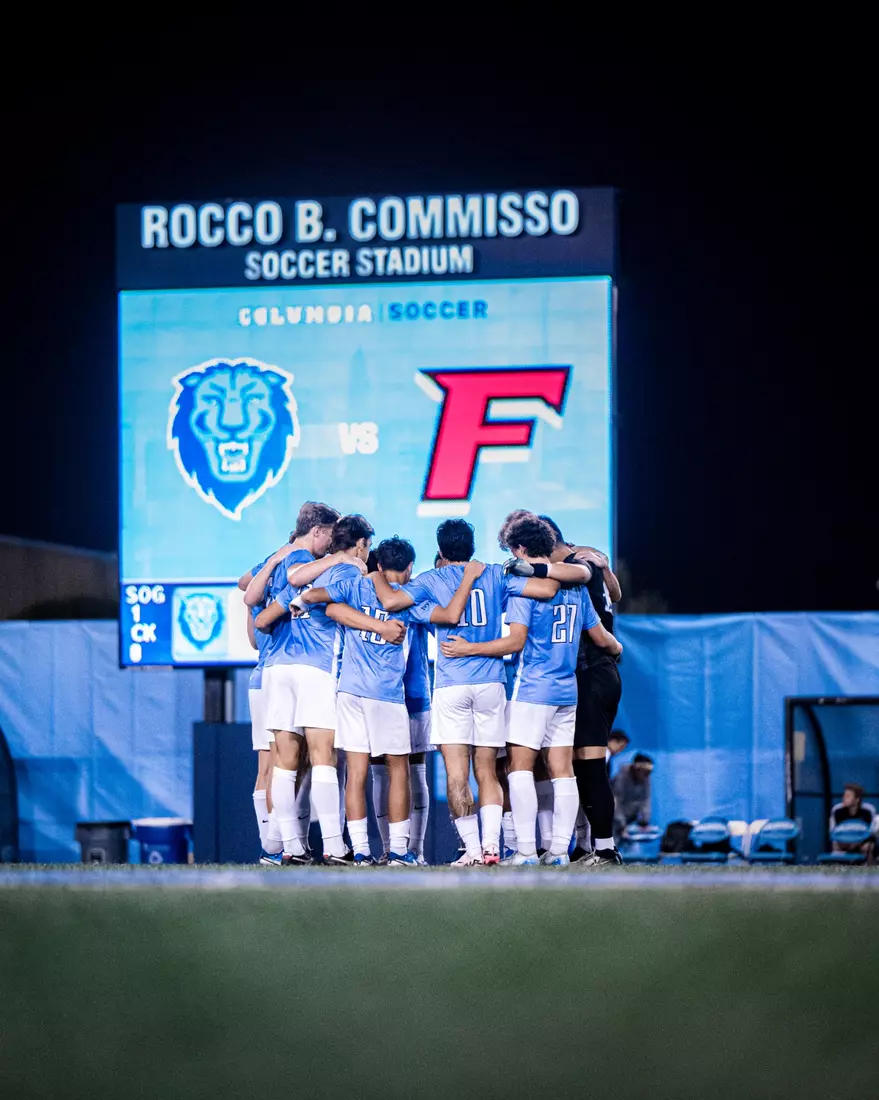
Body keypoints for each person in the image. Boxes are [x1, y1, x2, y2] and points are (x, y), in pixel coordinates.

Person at [372, 519, 588, 865]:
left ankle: (471, 851)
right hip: (491, 683)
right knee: (488, 770)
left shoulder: (431, 579)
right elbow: (547, 591)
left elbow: (394, 602)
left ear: (441, 550)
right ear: (472, 546)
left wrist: (375, 574)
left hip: (452, 685)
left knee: (457, 774)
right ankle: (492, 848)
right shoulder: (494, 574)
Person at [292, 537, 483, 866]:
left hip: (350, 692)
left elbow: (316, 598)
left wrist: (303, 599)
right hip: (388, 695)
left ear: (377, 566)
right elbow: (450, 615)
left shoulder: (355, 587)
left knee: (356, 773)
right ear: (410, 568)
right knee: (400, 770)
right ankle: (399, 851)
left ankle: (362, 851)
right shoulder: (410, 600)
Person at [443, 515, 621, 866]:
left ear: (521, 549)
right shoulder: (574, 586)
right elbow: (601, 638)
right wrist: (618, 650)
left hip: (533, 688)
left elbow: (515, 641)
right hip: (567, 689)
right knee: (562, 770)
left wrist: (469, 648)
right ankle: (558, 852)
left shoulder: (523, 583)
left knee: (519, 768)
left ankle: (525, 850)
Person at [253, 513, 387, 865]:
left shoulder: (305, 573)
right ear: (359, 545)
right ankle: (334, 846)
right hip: (317, 668)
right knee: (324, 757)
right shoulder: (347, 571)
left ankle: (292, 849)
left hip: (279, 668)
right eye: (367, 546)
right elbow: (341, 609)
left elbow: (261, 621)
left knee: (285, 762)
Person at [539, 516, 625, 868]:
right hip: (595, 672)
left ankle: (604, 849)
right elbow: (616, 595)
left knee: (590, 766)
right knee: (575, 766)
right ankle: (586, 846)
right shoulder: (588, 557)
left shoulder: (573, 569)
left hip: (592, 671)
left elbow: (593, 628)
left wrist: (613, 645)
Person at [830, 783, 877, 864]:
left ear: (857, 799)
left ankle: (869, 873)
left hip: (862, 842)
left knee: (869, 846)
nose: (844, 798)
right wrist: (847, 842)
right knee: (835, 844)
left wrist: (857, 842)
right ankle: (837, 871)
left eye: (848, 796)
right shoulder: (837, 811)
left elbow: (872, 832)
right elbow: (833, 831)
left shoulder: (868, 811)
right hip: (843, 842)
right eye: (844, 795)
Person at [612, 753, 654, 837]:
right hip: (613, 820)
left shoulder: (645, 778)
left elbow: (645, 799)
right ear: (636, 769)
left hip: (630, 819)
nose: (647, 775)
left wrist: (644, 822)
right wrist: (621, 825)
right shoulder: (621, 779)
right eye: (645, 772)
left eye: (649, 772)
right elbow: (615, 804)